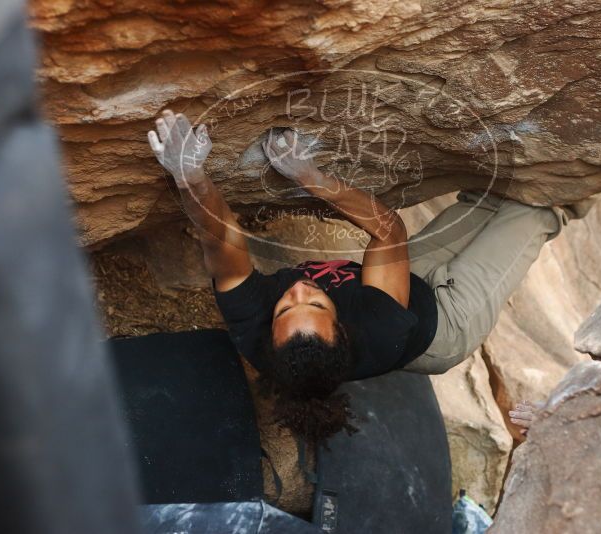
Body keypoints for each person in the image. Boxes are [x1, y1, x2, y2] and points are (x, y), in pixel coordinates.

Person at [147, 110, 572, 443]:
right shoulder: (377, 328)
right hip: (444, 324)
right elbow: (389, 229)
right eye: (314, 302)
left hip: (393, 283)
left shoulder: (252, 325)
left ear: (269, 329)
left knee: (488, 197)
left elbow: (221, 242)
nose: (297, 290)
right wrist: (311, 178)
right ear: (343, 329)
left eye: (284, 308)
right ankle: (583, 194)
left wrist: (191, 178)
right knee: (532, 210)